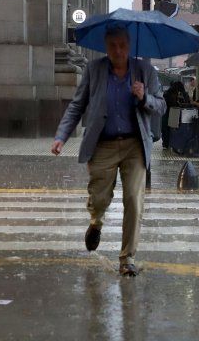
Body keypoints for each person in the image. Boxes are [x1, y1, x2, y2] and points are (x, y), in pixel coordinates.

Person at [51, 26, 166, 276]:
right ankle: (96, 222)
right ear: (106, 47)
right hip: (103, 144)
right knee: (99, 197)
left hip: (134, 145)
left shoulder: (145, 71)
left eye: (122, 45)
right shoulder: (94, 70)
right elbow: (77, 105)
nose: (118, 50)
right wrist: (61, 136)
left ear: (129, 45)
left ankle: (127, 258)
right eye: (113, 45)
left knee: (134, 201)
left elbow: (161, 106)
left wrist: (144, 96)